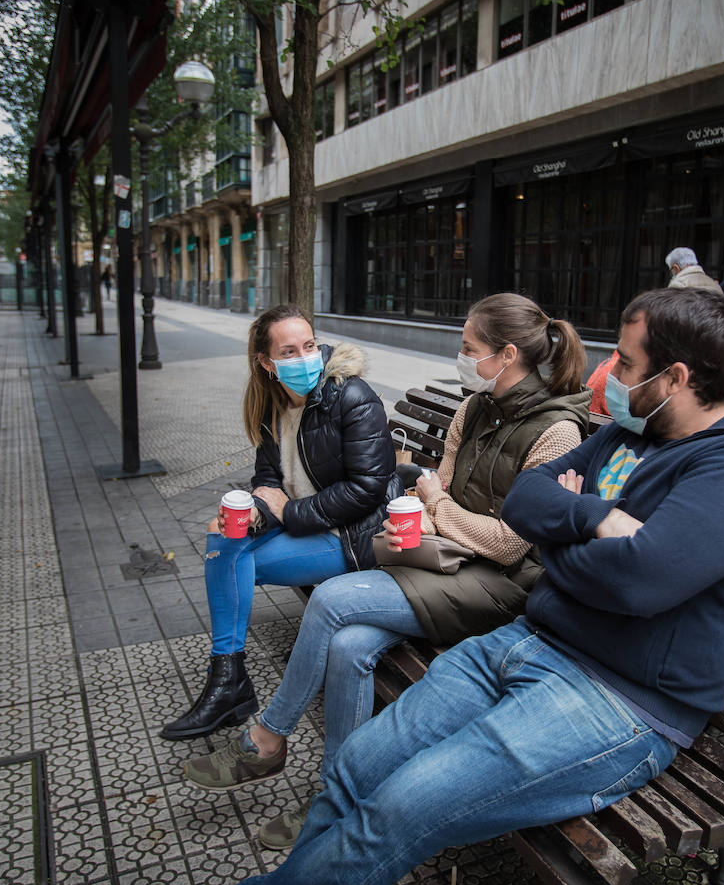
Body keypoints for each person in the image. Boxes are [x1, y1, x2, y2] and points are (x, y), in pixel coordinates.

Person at [190, 286, 724, 885]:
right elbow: (530, 501)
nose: (609, 374)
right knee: (358, 767)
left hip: (619, 699)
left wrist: (561, 538)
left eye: (626, 361)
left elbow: (634, 582)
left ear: (676, 377)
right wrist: (593, 519)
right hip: (526, 642)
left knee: (401, 805)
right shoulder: (626, 434)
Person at [182, 293, 591, 850]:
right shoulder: (472, 409)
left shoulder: (558, 433)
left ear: (507, 354)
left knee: (332, 602)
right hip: (440, 557)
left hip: (502, 587)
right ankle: (335, 799)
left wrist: (437, 510)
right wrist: (429, 511)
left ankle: (267, 738)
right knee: (349, 645)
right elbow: (433, 491)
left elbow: (506, 545)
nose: (461, 356)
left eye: (468, 347)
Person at [161, 303, 399, 742]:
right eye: (288, 352)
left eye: (308, 345)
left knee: (228, 558)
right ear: (266, 363)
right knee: (224, 540)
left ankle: (229, 683)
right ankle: (228, 675)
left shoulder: (351, 396)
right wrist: (255, 509)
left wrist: (284, 511)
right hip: (308, 524)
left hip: (353, 536)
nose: (304, 357)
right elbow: (269, 478)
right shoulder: (273, 404)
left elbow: (367, 490)